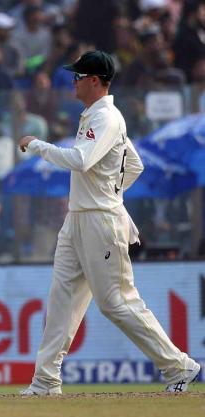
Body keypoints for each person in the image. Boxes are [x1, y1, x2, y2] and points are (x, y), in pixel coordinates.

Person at [18, 50, 201, 395]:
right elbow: (134, 165)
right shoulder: (93, 116)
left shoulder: (107, 117)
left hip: (100, 221)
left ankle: (179, 365)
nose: (72, 82)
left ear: (93, 80)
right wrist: (111, 190)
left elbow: (82, 160)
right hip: (78, 218)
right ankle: (45, 380)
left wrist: (39, 146)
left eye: (77, 77)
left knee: (116, 301)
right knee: (62, 300)